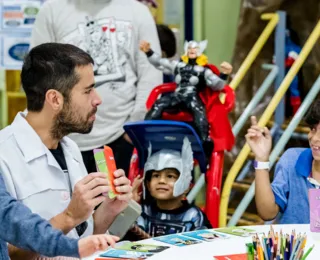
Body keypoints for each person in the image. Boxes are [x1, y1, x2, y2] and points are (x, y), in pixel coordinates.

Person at [0, 43, 132, 259]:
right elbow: (8, 254)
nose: (97, 99)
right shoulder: (4, 155)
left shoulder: (70, 148)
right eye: (88, 90)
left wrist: (109, 209)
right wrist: (69, 216)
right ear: (55, 99)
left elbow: (80, 241)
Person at [31, 0, 162, 175]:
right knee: (69, 202)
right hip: (63, 140)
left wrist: (134, 129)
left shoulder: (137, 11)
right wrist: (50, 133)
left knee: (116, 202)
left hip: (119, 138)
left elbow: (151, 74)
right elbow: (39, 76)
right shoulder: (51, 10)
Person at [139, 39, 232, 155]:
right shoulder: (178, 66)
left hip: (192, 96)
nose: (192, 50)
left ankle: (204, 141)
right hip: (177, 95)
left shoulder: (203, 71)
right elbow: (160, 63)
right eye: (190, 48)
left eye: (195, 49)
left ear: (199, 51)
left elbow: (216, 85)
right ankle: (146, 131)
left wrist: (224, 74)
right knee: (159, 104)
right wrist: (149, 52)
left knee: (199, 113)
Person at [0, 173, 119, 260]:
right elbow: (11, 223)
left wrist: (109, 209)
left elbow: (87, 235)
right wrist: (69, 221)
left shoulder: (71, 148)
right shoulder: (7, 155)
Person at [246, 100, 320, 224]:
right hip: (295, 243)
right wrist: (261, 160)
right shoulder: (292, 159)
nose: (314, 138)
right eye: (313, 129)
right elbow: (267, 213)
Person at [135, 137, 212, 237]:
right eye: (156, 175)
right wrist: (130, 205)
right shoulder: (144, 211)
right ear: (148, 185)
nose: (161, 181)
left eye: (170, 176)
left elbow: (204, 244)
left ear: (187, 186)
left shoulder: (193, 216)